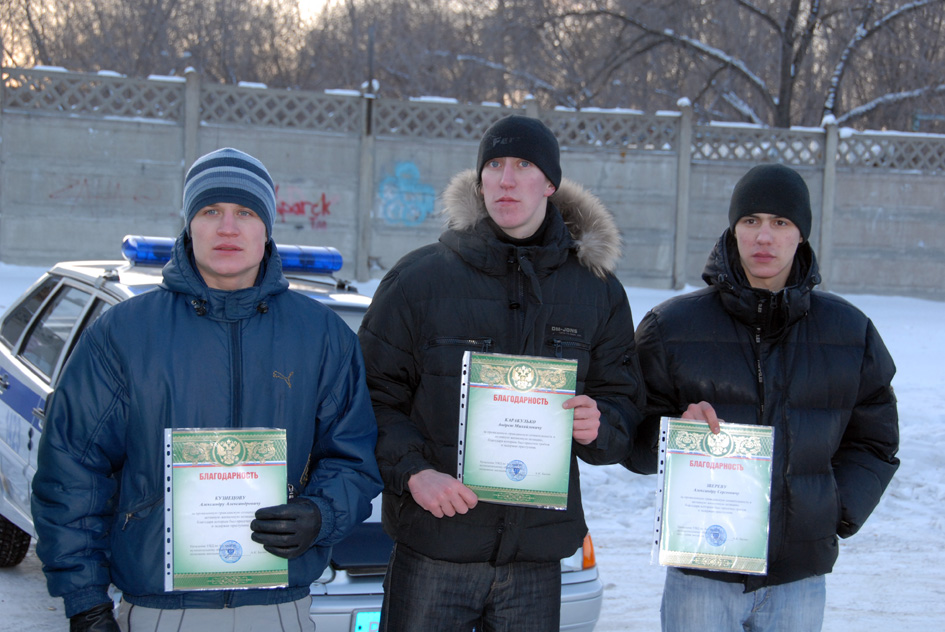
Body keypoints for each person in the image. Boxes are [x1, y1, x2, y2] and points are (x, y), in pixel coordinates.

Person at [31, 148, 382, 632]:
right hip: (161, 610)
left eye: (246, 213)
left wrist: (321, 513)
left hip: (279, 609)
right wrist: (86, 601)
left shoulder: (322, 337)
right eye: (211, 211)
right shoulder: (124, 334)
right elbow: (72, 470)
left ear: (267, 228)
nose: (228, 228)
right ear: (189, 224)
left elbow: (354, 457)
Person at [358, 115, 646, 631]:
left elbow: (624, 402)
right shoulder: (418, 281)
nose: (506, 180)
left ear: (550, 183)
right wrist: (414, 472)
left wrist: (600, 423)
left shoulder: (596, 292)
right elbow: (370, 397)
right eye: (493, 165)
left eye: (523, 165)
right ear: (479, 180)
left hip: (533, 562)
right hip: (434, 549)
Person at [624, 163, 900, 631]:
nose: (764, 237)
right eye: (750, 220)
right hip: (703, 575)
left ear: (801, 234)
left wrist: (833, 509)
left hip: (798, 580)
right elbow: (630, 432)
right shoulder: (670, 328)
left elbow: (876, 440)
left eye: (781, 222)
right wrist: (671, 434)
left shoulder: (850, 333)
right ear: (733, 229)